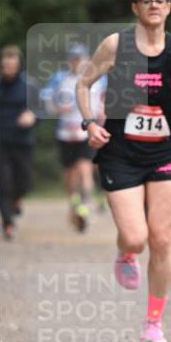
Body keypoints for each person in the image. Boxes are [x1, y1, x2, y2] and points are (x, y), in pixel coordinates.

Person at [76, 0, 171, 342]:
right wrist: (88, 123)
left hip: (165, 151)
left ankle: (153, 321)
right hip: (120, 152)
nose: (153, 6)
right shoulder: (115, 46)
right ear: (135, 6)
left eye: (159, 0)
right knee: (136, 237)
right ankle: (125, 252)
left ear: (169, 6)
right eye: (146, 0)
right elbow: (83, 84)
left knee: (162, 239)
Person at [41, 43, 105, 232]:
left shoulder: (97, 79)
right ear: (69, 60)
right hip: (65, 133)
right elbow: (47, 102)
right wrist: (58, 108)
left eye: (80, 58)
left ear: (86, 59)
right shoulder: (59, 79)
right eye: (74, 58)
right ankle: (74, 203)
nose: (77, 61)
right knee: (69, 175)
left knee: (85, 169)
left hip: (87, 132)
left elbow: (104, 100)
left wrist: (102, 113)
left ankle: (84, 207)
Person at [0, 45, 37, 240]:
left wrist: (32, 115)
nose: (8, 70)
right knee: (4, 183)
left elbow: (42, 108)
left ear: (19, 65)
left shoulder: (28, 85)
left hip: (23, 142)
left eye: (12, 66)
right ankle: (8, 224)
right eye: (5, 66)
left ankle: (17, 200)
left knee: (24, 182)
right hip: (1, 142)